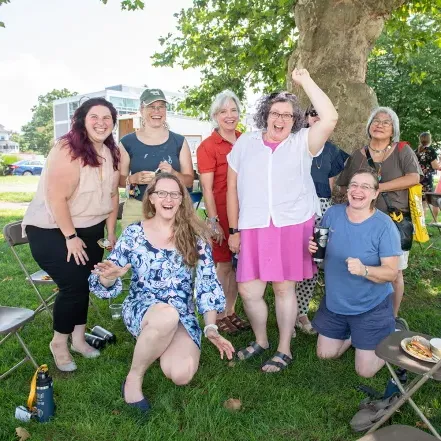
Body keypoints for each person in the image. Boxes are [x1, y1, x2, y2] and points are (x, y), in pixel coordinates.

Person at [89, 173, 234, 412]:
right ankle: (134, 378)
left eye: (175, 194)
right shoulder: (134, 233)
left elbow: (208, 284)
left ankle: (155, 340)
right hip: (142, 307)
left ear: (181, 200)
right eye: (162, 193)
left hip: (181, 314)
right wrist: (107, 277)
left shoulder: (194, 235)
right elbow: (106, 280)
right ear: (152, 199)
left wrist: (210, 327)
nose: (169, 198)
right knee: (166, 316)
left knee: (181, 374)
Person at [227, 68, 338, 373]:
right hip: (253, 226)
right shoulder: (245, 144)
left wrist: (305, 82)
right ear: (265, 114)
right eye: (276, 112)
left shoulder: (302, 142)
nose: (281, 119)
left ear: (296, 120)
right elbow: (233, 190)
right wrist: (234, 229)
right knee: (249, 291)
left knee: (282, 289)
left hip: (291, 224)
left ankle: (284, 348)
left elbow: (329, 118)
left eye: (288, 115)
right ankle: (261, 340)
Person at [22, 98, 121, 372]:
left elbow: (113, 196)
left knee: (85, 283)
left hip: (91, 230)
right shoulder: (67, 148)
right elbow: (56, 197)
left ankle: (79, 339)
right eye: (94, 117)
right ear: (82, 120)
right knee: (73, 285)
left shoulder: (112, 152)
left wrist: (111, 231)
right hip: (52, 230)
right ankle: (59, 343)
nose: (101, 122)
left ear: (113, 122)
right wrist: (70, 236)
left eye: (107, 118)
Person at [311, 169, 401, 377]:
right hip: (336, 303)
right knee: (325, 355)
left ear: (375, 194)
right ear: (347, 189)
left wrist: (365, 270)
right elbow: (322, 254)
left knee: (365, 371)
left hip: (370, 306)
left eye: (365, 187)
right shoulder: (332, 214)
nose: (358, 190)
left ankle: (385, 331)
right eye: (354, 185)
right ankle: (355, 336)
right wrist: (313, 250)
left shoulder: (384, 226)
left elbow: (391, 274)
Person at [336, 106, 421, 319]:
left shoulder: (403, 150)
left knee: (394, 273)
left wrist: (378, 188)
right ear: (368, 126)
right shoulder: (358, 155)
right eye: (376, 120)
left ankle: (390, 318)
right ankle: (363, 312)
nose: (380, 124)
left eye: (386, 122)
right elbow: (344, 185)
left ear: (393, 130)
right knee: (366, 268)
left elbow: (414, 178)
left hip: (394, 220)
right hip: (363, 220)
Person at [197, 90, 249, 335]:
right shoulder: (208, 146)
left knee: (240, 266)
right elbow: (207, 188)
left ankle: (230, 310)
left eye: (233, 110)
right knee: (224, 265)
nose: (229, 116)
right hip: (221, 213)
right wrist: (213, 220)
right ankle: (216, 314)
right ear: (215, 116)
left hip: (246, 213)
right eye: (223, 111)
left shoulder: (246, 140)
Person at [294, 104, 349, 336]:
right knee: (293, 260)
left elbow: (331, 184)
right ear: (306, 118)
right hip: (295, 208)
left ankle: (302, 311)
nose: (317, 117)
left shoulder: (333, 151)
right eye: (312, 113)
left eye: (321, 114)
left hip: (322, 207)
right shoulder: (294, 144)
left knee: (315, 261)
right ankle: (287, 312)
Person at [119, 88, 194, 229]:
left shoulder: (179, 141)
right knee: (134, 250)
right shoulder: (127, 142)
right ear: (142, 110)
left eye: (161, 107)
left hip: (172, 209)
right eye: (151, 107)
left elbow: (189, 182)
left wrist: (173, 174)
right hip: (137, 209)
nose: (157, 111)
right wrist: (133, 179)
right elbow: (119, 180)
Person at [416, 132, 441, 221]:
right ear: (429, 140)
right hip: (426, 179)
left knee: (417, 202)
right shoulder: (430, 150)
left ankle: (416, 225)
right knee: (424, 204)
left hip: (416, 179)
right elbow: (435, 166)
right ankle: (422, 227)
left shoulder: (416, 151)